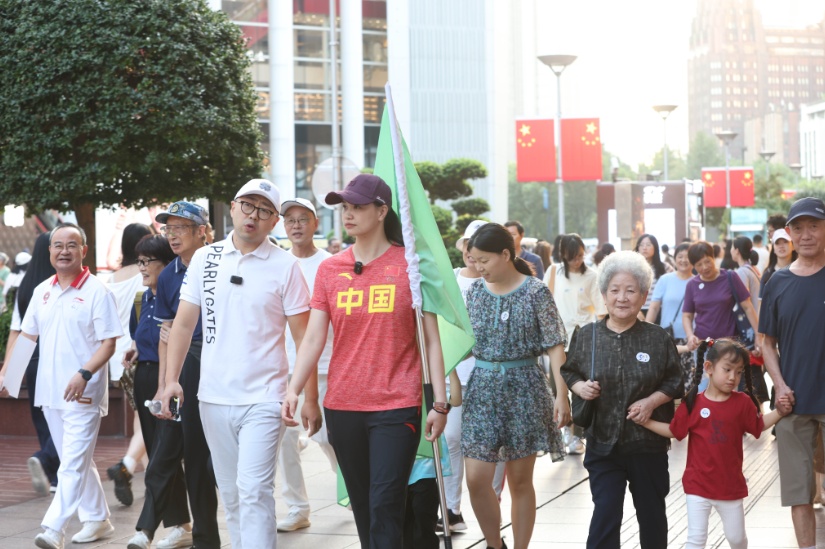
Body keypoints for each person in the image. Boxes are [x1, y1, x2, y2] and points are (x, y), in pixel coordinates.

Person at [283, 174, 448, 548]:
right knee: (364, 507)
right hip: (343, 406)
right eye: (345, 207)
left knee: (385, 503)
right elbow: (313, 337)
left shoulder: (410, 266)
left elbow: (431, 340)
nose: (348, 214)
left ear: (382, 211)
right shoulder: (331, 269)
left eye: (357, 206)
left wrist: (439, 402)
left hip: (397, 405)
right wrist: (294, 389)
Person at [162, 180, 312, 549]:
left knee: (254, 489)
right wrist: (170, 380)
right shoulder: (205, 258)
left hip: (265, 397)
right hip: (213, 397)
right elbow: (183, 324)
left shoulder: (286, 267)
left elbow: (304, 338)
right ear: (232, 207)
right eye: (247, 205)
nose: (253, 216)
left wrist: (307, 395)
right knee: (231, 494)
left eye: (264, 210)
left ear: (274, 221)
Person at [561, 251, 683, 549]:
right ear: (604, 295)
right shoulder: (588, 336)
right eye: (614, 290)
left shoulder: (657, 338)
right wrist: (580, 387)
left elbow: (675, 381)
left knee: (652, 516)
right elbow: (569, 370)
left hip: (647, 444)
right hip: (602, 443)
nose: (622, 298)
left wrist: (651, 402)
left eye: (630, 290)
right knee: (605, 513)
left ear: (643, 295)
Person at [15, 224, 122, 548]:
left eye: (71, 245)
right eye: (58, 245)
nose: (64, 251)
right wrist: (9, 375)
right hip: (50, 393)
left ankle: (53, 528)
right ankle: (98, 519)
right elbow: (28, 335)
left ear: (83, 251)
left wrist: (84, 373)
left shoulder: (97, 291)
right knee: (75, 460)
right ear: (49, 251)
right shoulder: (42, 291)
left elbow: (108, 343)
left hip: (83, 393)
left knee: (72, 464)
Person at [462, 222, 567, 549]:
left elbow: (555, 347)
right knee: (476, 479)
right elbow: (461, 343)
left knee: (520, 482)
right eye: (474, 260)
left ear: (505, 255)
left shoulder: (535, 291)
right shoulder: (475, 291)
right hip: (482, 390)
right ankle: (495, 544)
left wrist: (562, 396)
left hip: (525, 390)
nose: (479, 267)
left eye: (484, 260)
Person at [641, 338, 791, 549]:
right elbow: (675, 431)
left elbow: (758, 426)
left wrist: (780, 412)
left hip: (730, 488)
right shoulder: (692, 402)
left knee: (736, 539)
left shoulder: (742, 403)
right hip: (697, 486)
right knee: (695, 540)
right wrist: (646, 422)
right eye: (727, 369)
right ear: (709, 368)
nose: (733, 377)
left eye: (738, 372)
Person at [153, 201, 220, 549]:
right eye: (169, 228)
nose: (173, 235)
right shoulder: (168, 275)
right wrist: (166, 383)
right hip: (190, 366)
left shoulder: (222, 262)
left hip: (226, 362)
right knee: (193, 454)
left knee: (225, 458)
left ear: (201, 231)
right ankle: (206, 539)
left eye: (180, 227)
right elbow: (167, 334)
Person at [759, 197, 825, 549]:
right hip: (792, 403)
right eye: (798, 228)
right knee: (799, 492)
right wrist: (780, 385)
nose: (806, 234)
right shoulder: (777, 282)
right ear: (788, 233)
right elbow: (766, 342)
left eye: (814, 226)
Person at [123, 235, 193, 549]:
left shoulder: (181, 297)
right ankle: (182, 525)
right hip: (146, 377)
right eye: (139, 261)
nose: (142, 267)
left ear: (166, 265)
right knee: (157, 453)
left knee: (164, 456)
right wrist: (136, 348)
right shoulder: (142, 300)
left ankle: (146, 530)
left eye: (148, 261)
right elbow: (138, 334)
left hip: (172, 380)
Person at [276, 197, 337, 533]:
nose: (296, 225)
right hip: (283, 367)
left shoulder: (332, 264)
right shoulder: (277, 264)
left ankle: (351, 485)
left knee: (329, 439)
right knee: (285, 440)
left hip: (326, 367)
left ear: (316, 223)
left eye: (303, 219)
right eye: (290, 220)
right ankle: (297, 507)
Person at [0, 233, 58, 495]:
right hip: (59, 359)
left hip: (33, 359)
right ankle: (46, 461)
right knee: (66, 417)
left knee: (42, 417)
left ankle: (53, 474)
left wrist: (7, 372)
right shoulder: (56, 286)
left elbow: (17, 332)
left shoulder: (26, 286)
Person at [545, 233, 606, 455]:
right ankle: (566, 431)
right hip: (558, 340)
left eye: (580, 255)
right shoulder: (554, 272)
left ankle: (577, 434)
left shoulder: (592, 276)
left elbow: (601, 311)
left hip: (583, 339)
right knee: (558, 387)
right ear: (563, 255)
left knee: (581, 388)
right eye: (572, 257)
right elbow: (544, 305)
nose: (577, 260)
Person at [105, 222, 152, 506]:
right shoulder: (145, 274)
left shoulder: (111, 279)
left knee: (140, 416)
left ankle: (152, 479)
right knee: (149, 416)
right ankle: (126, 465)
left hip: (117, 358)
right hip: (139, 352)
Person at [682, 241, 759, 353]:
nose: (704, 267)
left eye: (707, 261)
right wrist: (690, 336)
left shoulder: (730, 277)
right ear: (693, 266)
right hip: (703, 345)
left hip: (730, 345)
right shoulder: (692, 285)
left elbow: (748, 307)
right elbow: (687, 316)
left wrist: (758, 335)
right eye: (699, 265)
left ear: (713, 258)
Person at [645, 243, 698, 390]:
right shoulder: (665, 280)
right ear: (674, 258)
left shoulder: (698, 282)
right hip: (668, 337)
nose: (683, 260)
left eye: (687, 257)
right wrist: (646, 330)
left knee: (689, 381)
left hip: (691, 339)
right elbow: (654, 307)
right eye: (680, 256)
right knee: (666, 380)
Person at [634, 233, 672, 319]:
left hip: (660, 310)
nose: (644, 248)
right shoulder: (632, 268)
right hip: (638, 311)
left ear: (655, 248)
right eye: (641, 245)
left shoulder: (665, 268)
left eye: (648, 245)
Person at [759, 228, 796, 295]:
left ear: (793, 246)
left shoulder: (800, 271)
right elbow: (761, 300)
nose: (781, 246)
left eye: (785, 242)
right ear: (774, 249)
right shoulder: (768, 275)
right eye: (777, 243)